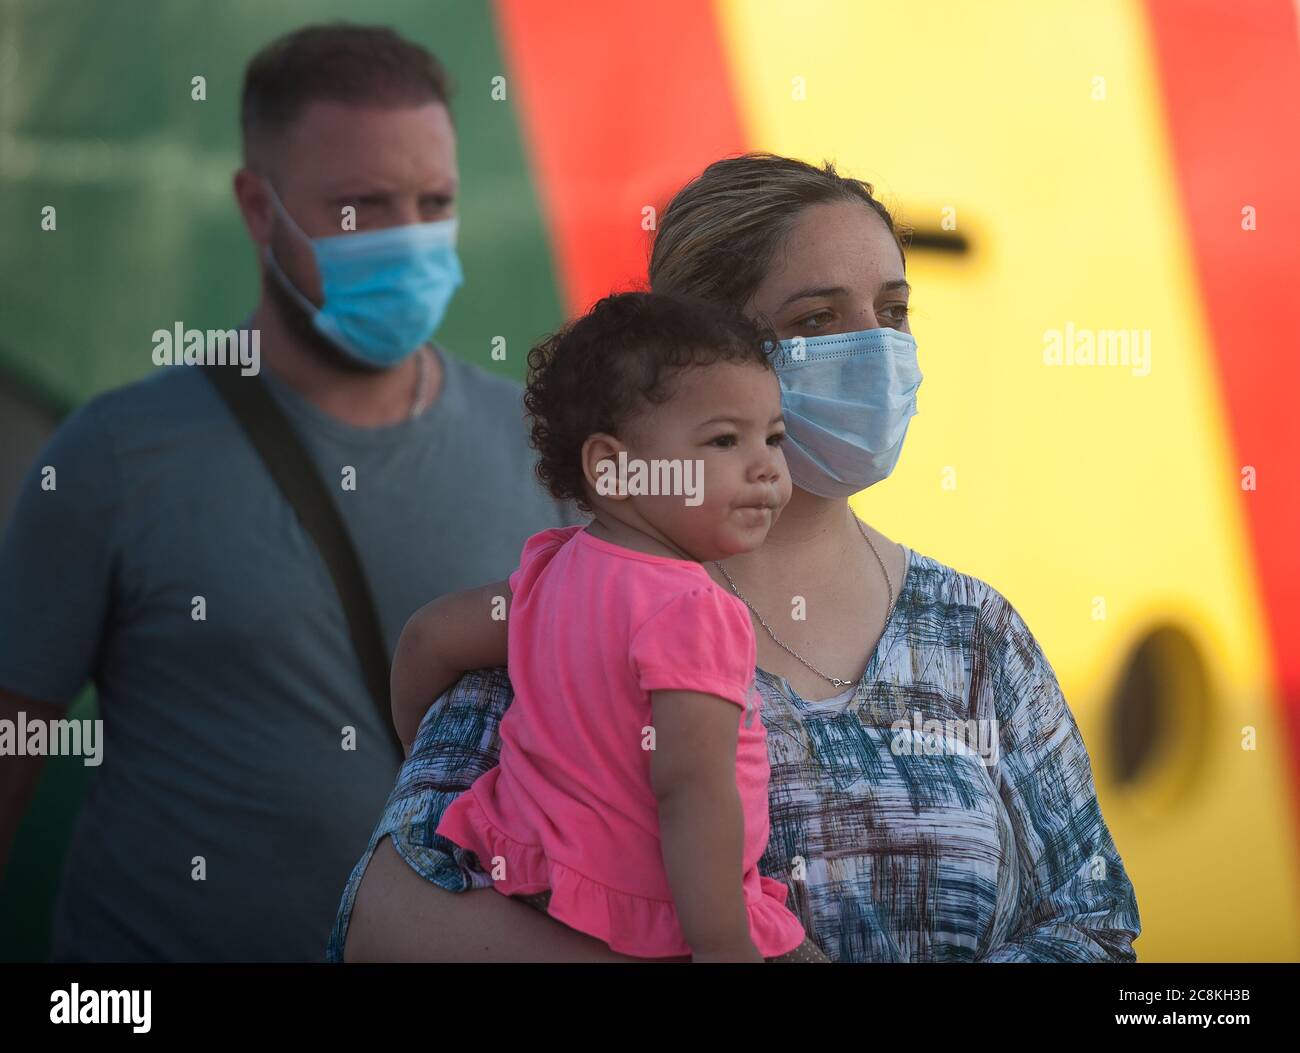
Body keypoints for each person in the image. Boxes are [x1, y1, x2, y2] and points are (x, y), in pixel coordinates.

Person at [332, 152, 1142, 963]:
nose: (874, 351)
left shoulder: (974, 631)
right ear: (699, 348)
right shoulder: (574, 608)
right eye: (818, 321)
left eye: (892, 312)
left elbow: (1094, 923)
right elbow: (391, 918)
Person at [0, 23, 575, 961]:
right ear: (258, 207)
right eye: (360, 208)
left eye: (434, 201)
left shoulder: (544, 452)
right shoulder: (112, 456)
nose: (408, 239)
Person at [390, 292, 830, 962]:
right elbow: (691, 789)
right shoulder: (694, 609)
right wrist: (723, 947)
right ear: (614, 466)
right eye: (723, 440)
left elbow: (427, 638)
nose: (767, 465)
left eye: (772, 436)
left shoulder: (551, 569)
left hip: (534, 884)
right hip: (664, 917)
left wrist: (414, 755)